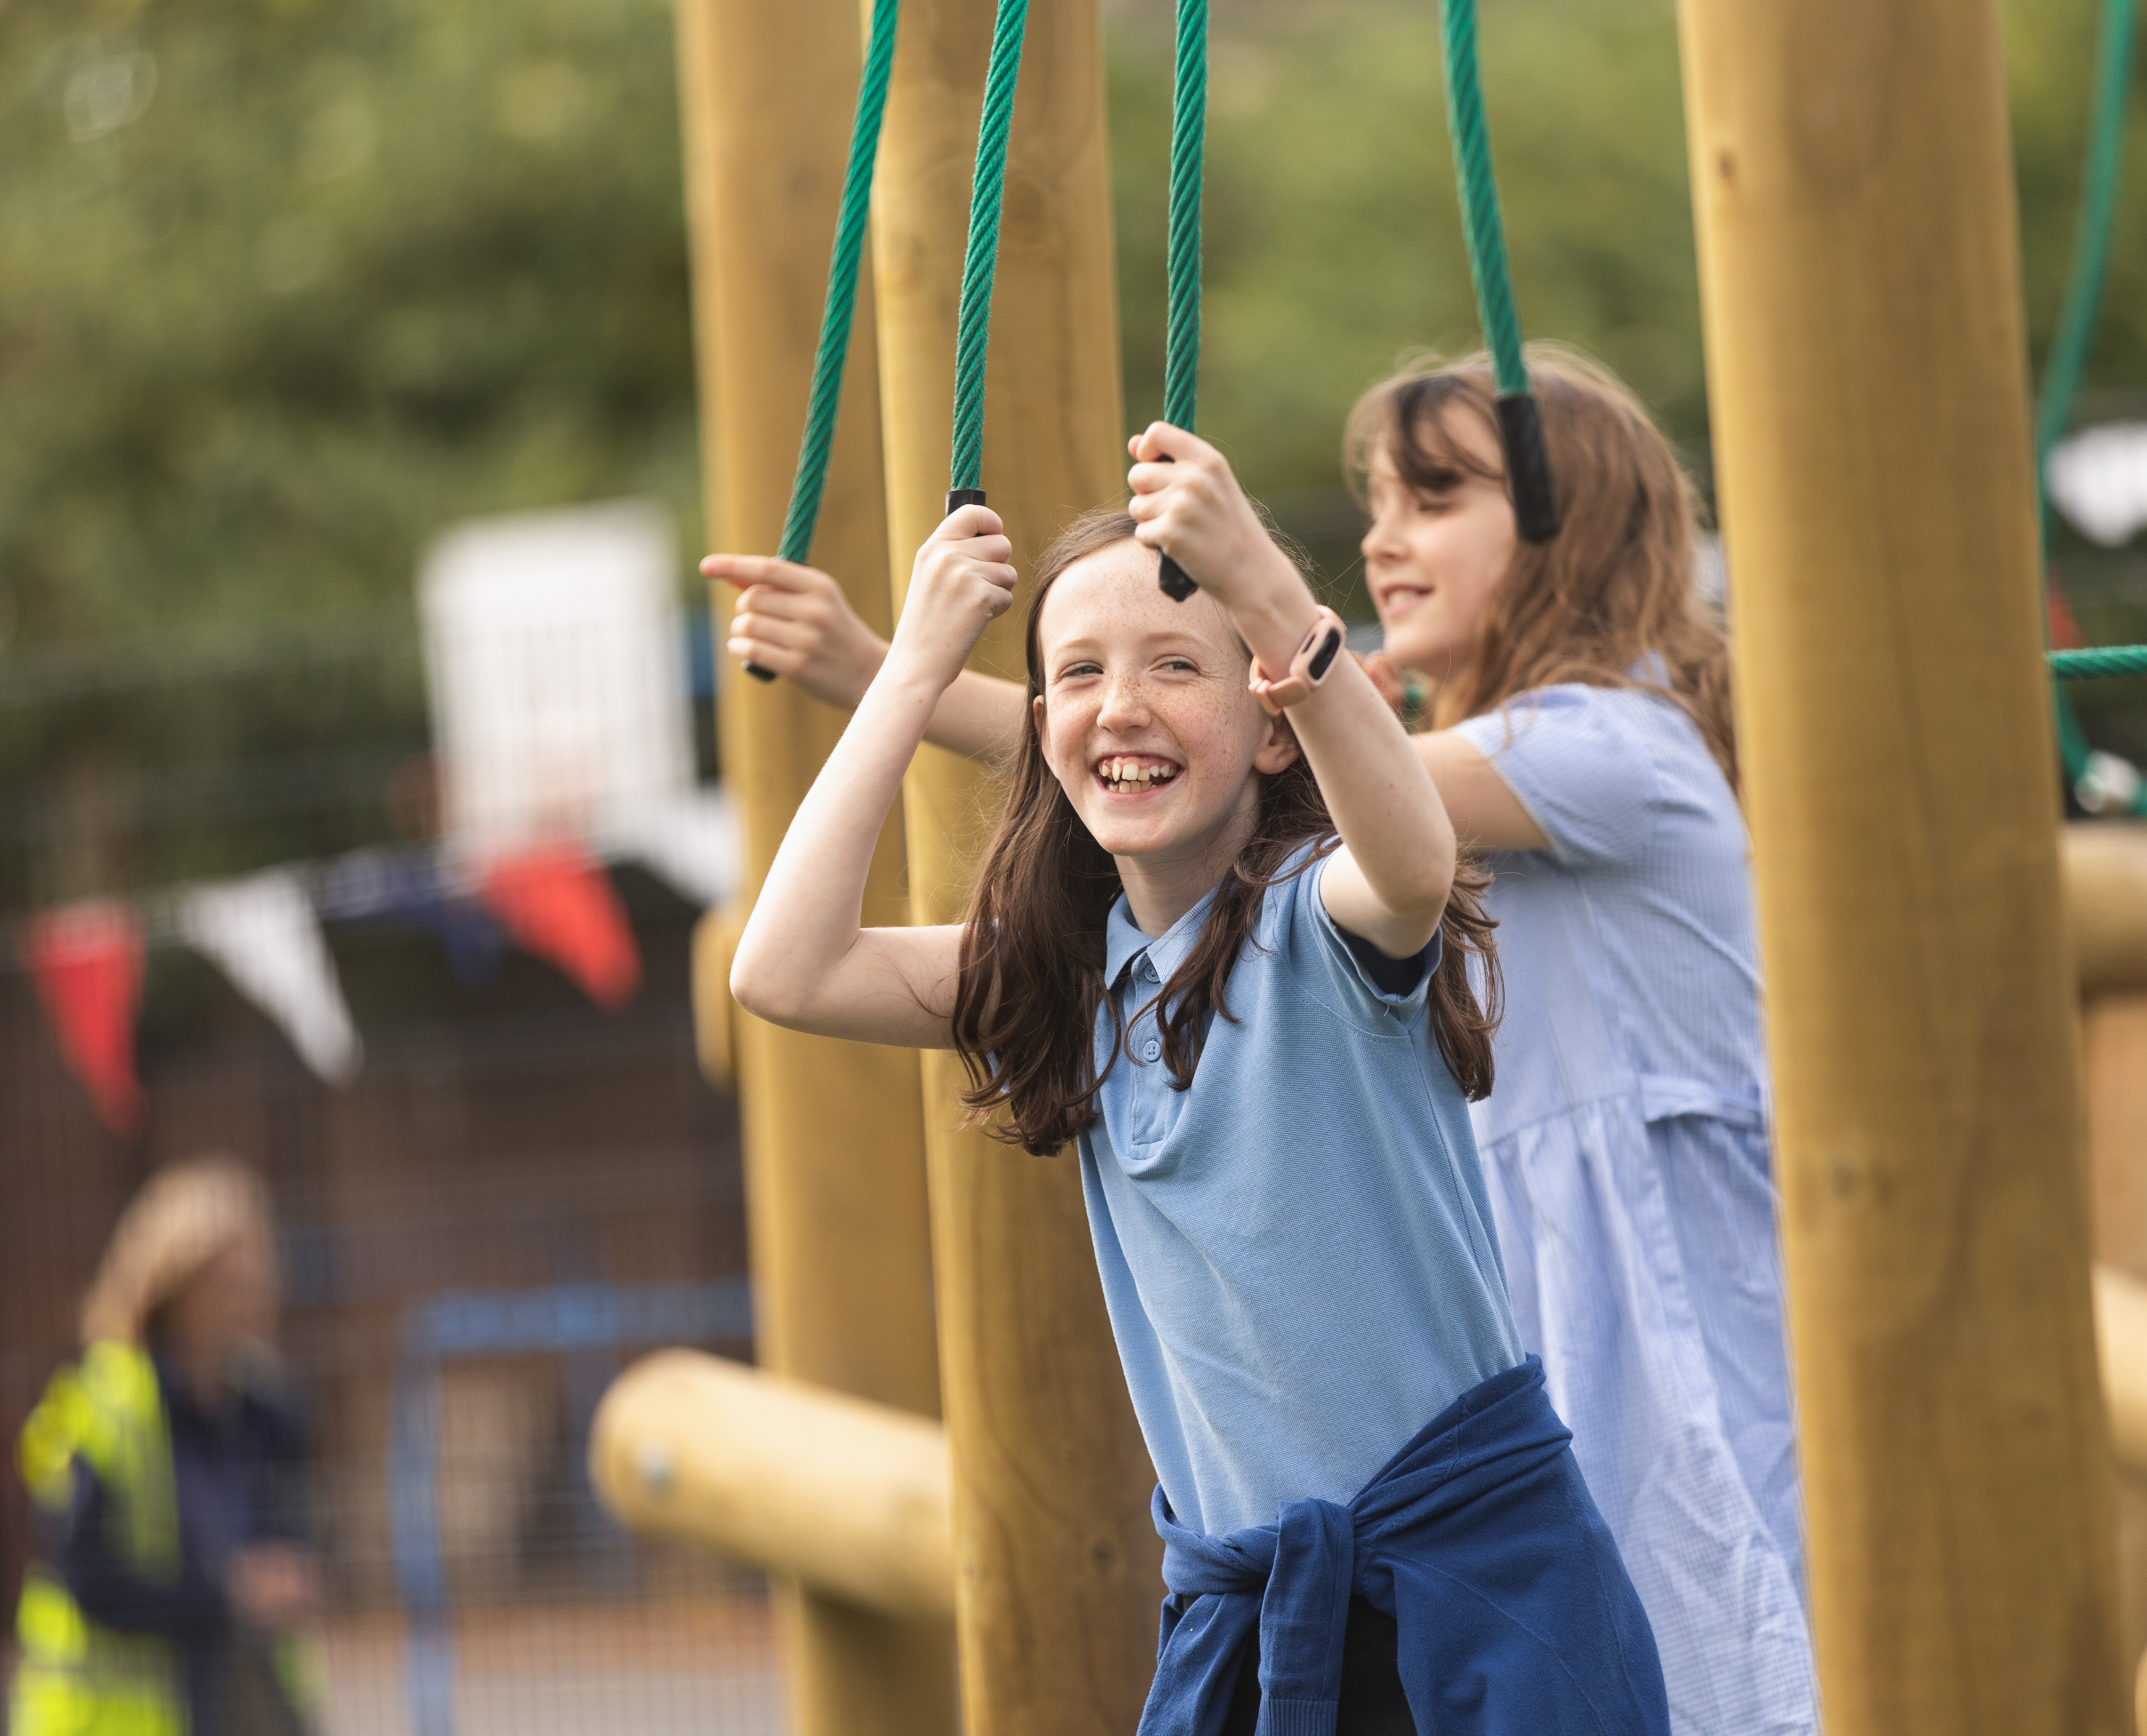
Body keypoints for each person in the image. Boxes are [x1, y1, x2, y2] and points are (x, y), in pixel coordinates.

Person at [709, 349, 1815, 1734]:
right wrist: (907, 669)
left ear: (1278, 721)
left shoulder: (1380, 886)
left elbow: (1402, 839)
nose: (1124, 706)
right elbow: (787, 967)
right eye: (1082, 680)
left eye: (1433, 496)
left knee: (1742, 1643)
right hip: (1257, 1591)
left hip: (1503, 1503)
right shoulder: (1082, 983)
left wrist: (1263, 595)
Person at [12, 1156, 323, 1736]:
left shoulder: (269, 1407)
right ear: (173, 1283)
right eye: (227, 1283)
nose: (247, 1300)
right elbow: (82, 1575)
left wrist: (294, 1571)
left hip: (243, 1704)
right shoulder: (107, 1403)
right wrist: (222, 1592)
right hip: (117, 1719)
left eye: (256, 1279)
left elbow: (298, 1532)